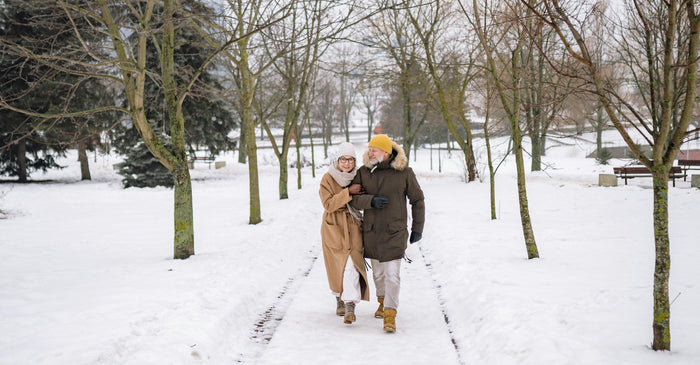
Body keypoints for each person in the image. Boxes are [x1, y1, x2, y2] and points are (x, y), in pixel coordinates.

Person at [350, 134, 425, 333]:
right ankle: (382, 302)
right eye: (369, 149)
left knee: (392, 275)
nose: (370, 152)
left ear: (386, 152)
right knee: (379, 274)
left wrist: (418, 228)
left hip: (395, 232)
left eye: (374, 149)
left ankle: (390, 314)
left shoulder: (405, 173)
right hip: (372, 233)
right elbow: (353, 200)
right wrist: (370, 201)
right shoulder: (364, 172)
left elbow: (417, 200)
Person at [319, 142, 370, 325]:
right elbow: (329, 204)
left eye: (350, 160)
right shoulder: (328, 178)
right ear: (338, 160)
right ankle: (339, 299)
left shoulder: (359, 176)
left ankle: (350, 306)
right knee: (337, 266)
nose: (346, 163)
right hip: (334, 228)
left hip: (354, 226)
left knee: (352, 265)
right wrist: (348, 192)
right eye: (343, 159)